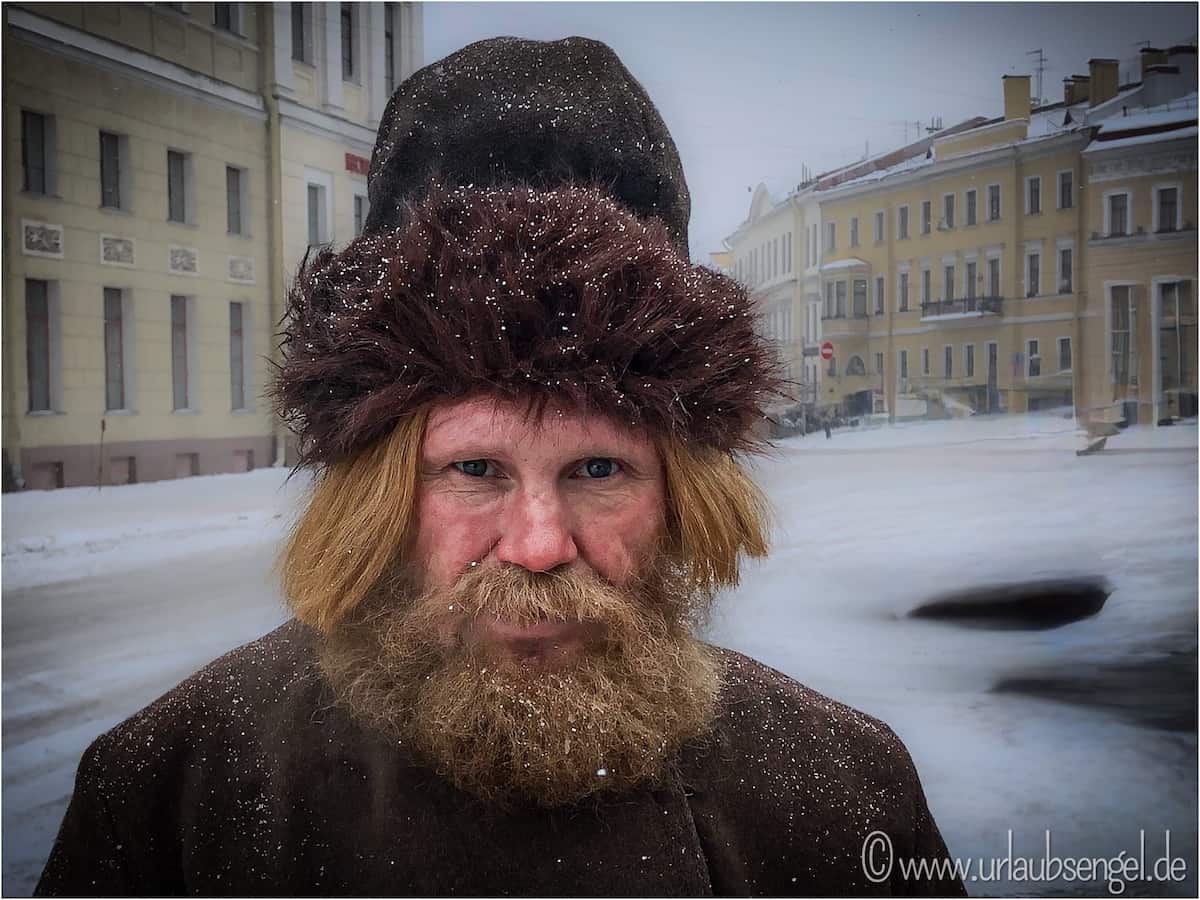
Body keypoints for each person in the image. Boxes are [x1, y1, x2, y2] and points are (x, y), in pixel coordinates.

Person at [36, 37, 964, 897]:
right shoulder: (177, 792)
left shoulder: (843, 793)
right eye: (475, 467)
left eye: (598, 470)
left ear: (685, 496)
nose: (536, 546)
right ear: (376, 496)